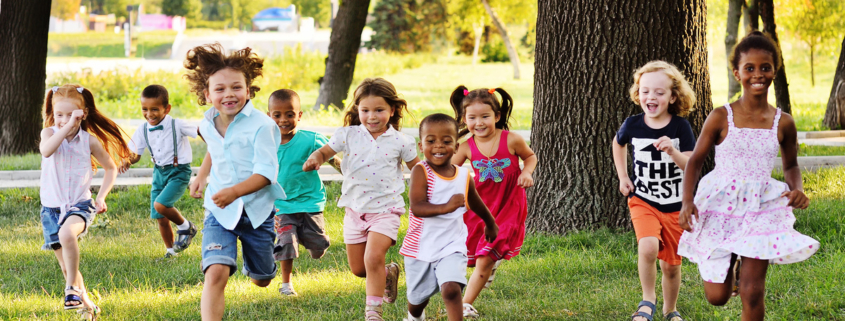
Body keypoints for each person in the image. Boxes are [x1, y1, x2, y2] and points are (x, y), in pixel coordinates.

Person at [677, 31, 819, 321]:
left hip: (761, 205)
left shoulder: (784, 122)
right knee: (717, 297)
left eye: (765, 67)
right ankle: (732, 262)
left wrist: (796, 189)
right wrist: (687, 201)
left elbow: (791, 165)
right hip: (720, 203)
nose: (758, 74)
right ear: (737, 73)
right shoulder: (721, 116)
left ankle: (747, 268)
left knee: (752, 292)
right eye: (750, 68)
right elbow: (695, 162)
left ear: (774, 72)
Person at [303, 78, 420, 321]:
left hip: (387, 210)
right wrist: (316, 158)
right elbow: (325, 151)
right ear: (357, 109)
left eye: (379, 110)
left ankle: (373, 312)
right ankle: (387, 273)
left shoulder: (401, 141)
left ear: (392, 110)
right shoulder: (348, 135)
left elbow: (418, 170)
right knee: (359, 269)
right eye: (365, 110)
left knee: (372, 257)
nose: (372, 116)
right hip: (354, 211)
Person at [185, 43, 286, 321]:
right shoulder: (207, 124)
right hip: (219, 211)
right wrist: (202, 176)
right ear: (207, 94)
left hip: (256, 212)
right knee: (216, 272)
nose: (229, 94)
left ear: (248, 90)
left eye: (236, 87)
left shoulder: (263, 126)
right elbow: (216, 148)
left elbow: (266, 174)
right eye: (220, 89)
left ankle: (256, 267)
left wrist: (234, 192)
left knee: (263, 278)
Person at [612, 61, 698, 321]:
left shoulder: (680, 127)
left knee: (670, 266)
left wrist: (672, 151)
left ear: (672, 97)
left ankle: (670, 310)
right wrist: (623, 176)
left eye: (659, 92)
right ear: (638, 94)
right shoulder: (633, 124)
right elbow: (618, 145)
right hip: (643, 200)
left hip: (675, 206)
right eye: (645, 91)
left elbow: (691, 164)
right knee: (648, 247)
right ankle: (647, 300)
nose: (651, 97)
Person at [39, 84, 132, 320]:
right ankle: (88, 305)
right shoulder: (48, 134)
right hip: (51, 209)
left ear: (83, 114)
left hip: (80, 204)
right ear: (53, 113)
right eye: (59, 114)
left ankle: (70, 288)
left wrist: (101, 197)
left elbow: (110, 168)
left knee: (67, 235)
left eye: (71, 115)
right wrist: (67, 125)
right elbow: (47, 151)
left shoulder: (88, 141)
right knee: (66, 266)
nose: (64, 120)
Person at [400, 113, 498, 321]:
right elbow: (417, 207)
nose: (438, 146)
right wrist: (446, 206)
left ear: (455, 147)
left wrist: (490, 223)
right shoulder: (421, 171)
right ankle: (414, 316)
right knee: (417, 299)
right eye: (431, 141)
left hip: (452, 244)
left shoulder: (463, 175)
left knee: (452, 289)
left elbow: (476, 202)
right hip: (421, 247)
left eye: (446, 141)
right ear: (421, 145)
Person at [450, 86, 536, 318]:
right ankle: (488, 266)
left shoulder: (511, 140)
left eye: (485, 116)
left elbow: (530, 157)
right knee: (475, 252)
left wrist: (526, 172)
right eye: (472, 117)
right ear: (464, 119)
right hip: (480, 206)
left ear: (497, 116)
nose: (479, 122)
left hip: (509, 205)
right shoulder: (466, 146)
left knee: (485, 257)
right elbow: (449, 171)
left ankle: (465, 304)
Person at [266, 89, 339, 296]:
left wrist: (350, 176)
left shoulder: (310, 139)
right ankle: (286, 285)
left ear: (299, 115)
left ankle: (313, 240)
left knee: (317, 250)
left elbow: (332, 157)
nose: (283, 119)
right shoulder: (264, 144)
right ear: (268, 116)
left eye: (290, 114)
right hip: (283, 205)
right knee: (286, 242)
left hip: (310, 202)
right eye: (277, 115)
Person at [124, 84, 198, 258]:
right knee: (160, 216)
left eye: (155, 109)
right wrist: (126, 161)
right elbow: (135, 155)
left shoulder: (176, 124)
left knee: (161, 205)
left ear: (167, 108)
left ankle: (186, 227)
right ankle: (171, 251)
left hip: (178, 172)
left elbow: (199, 131)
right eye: (145, 109)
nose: (149, 114)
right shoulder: (143, 129)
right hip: (159, 173)